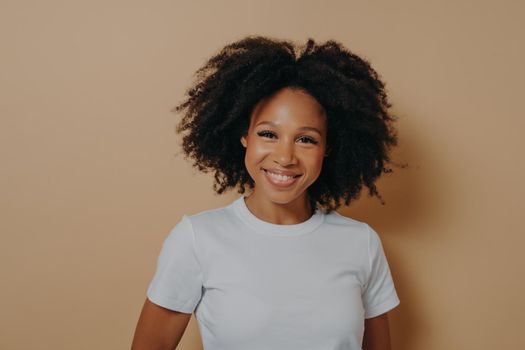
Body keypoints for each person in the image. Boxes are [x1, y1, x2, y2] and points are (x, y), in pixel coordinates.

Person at [131, 35, 403, 350]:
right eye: (268, 134)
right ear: (244, 136)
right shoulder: (197, 239)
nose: (285, 157)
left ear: (328, 148)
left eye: (306, 139)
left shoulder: (361, 243)